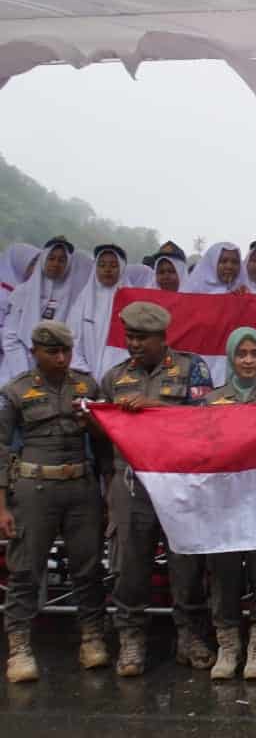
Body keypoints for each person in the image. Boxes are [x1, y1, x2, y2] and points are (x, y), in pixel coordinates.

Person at [101, 301, 216, 676]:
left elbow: (205, 421)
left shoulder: (191, 367)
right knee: (130, 567)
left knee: (186, 566)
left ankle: (190, 637)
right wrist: (109, 487)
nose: (133, 344)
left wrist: (154, 408)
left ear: (161, 338)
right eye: (129, 337)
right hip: (130, 483)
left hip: (178, 484)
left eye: (141, 337)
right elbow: (103, 440)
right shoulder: (114, 377)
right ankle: (131, 640)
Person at [1, 321, 113, 682]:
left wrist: (108, 490)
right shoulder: (15, 392)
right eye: (53, 352)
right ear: (35, 352)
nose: (61, 358)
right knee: (25, 571)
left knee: (88, 568)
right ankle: (19, 647)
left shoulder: (87, 385)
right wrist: (1, 505)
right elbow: (1, 450)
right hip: (34, 490)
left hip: (81, 487)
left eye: (66, 350)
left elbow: (103, 445)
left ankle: (92, 638)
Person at [203, 327, 256, 681]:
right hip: (224, 502)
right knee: (223, 573)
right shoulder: (212, 401)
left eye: (255, 353)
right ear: (230, 357)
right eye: (242, 354)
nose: (249, 360)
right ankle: (227, 646)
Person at [1, 236, 90, 384]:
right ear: (43, 260)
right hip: (17, 367)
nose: (56, 264)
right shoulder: (22, 292)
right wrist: (24, 374)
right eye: (51, 258)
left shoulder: (75, 297)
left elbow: (73, 336)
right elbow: (11, 337)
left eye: (62, 260)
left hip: (55, 368)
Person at [66, 244, 139, 380]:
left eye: (113, 265)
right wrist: (83, 372)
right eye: (102, 265)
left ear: (122, 268)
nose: (107, 270)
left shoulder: (132, 304)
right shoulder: (83, 301)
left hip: (123, 378)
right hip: (85, 377)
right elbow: (72, 339)